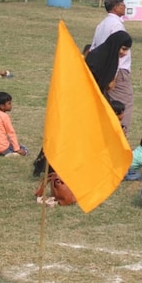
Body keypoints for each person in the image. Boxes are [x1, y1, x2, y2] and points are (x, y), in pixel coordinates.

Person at [33, 31, 133, 176]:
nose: (124, 53)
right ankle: (49, 166)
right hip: (81, 99)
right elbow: (94, 81)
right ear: (116, 45)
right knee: (66, 133)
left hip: (96, 99)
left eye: (127, 50)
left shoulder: (112, 58)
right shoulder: (96, 57)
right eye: (123, 49)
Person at [91, 0, 135, 132]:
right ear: (116, 7)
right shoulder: (116, 25)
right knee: (123, 105)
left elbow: (93, 48)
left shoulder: (101, 25)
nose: (125, 7)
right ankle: (120, 136)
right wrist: (113, 76)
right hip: (116, 73)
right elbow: (118, 53)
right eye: (122, 4)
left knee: (107, 105)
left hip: (103, 71)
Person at [0, 91, 27, 157]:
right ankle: (11, 154)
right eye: (9, 103)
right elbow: (11, 133)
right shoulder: (4, 116)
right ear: (2, 106)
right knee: (25, 149)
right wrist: (17, 149)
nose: (11, 105)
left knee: (7, 141)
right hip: (3, 148)